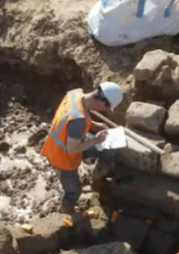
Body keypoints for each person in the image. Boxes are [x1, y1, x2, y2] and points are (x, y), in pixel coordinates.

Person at [40, 82, 124, 214]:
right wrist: (96, 140)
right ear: (103, 102)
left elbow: (78, 117)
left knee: (105, 148)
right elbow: (72, 149)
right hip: (62, 156)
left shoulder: (75, 94)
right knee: (74, 191)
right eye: (107, 108)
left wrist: (94, 125)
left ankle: (99, 177)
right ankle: (64, 211)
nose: (105, 111)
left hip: (68, 142)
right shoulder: (77, 120)